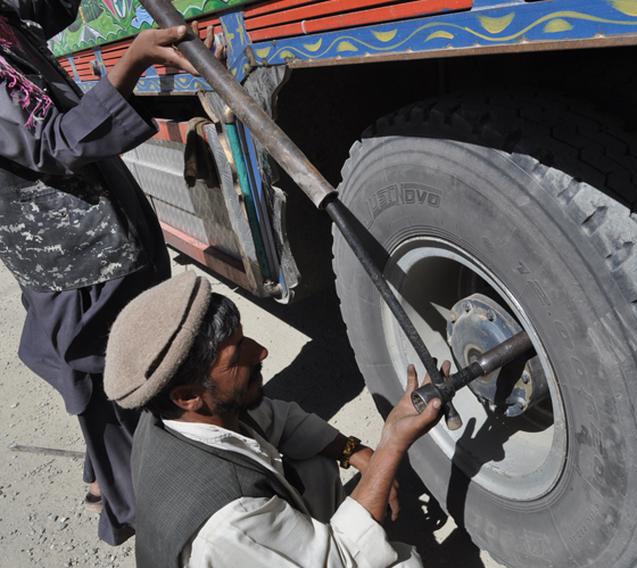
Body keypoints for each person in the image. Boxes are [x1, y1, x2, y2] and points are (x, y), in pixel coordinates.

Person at [0, 0, 214, 545]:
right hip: (75, 255)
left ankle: (107, 480)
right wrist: (134, 63)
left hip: (93, 234)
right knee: (113, 379)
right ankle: (156, 523)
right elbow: (50, 144)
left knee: (109, 378)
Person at [103, 272, 444, 567]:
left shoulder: (176, 418)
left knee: (316, 464)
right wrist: (391, 443)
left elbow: (281, 419)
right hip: (246, 546)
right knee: (403, 562)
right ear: (188, 395)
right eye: (238, 354)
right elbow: (342, 560)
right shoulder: (228, 524)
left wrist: (357, 453)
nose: (261, 351)